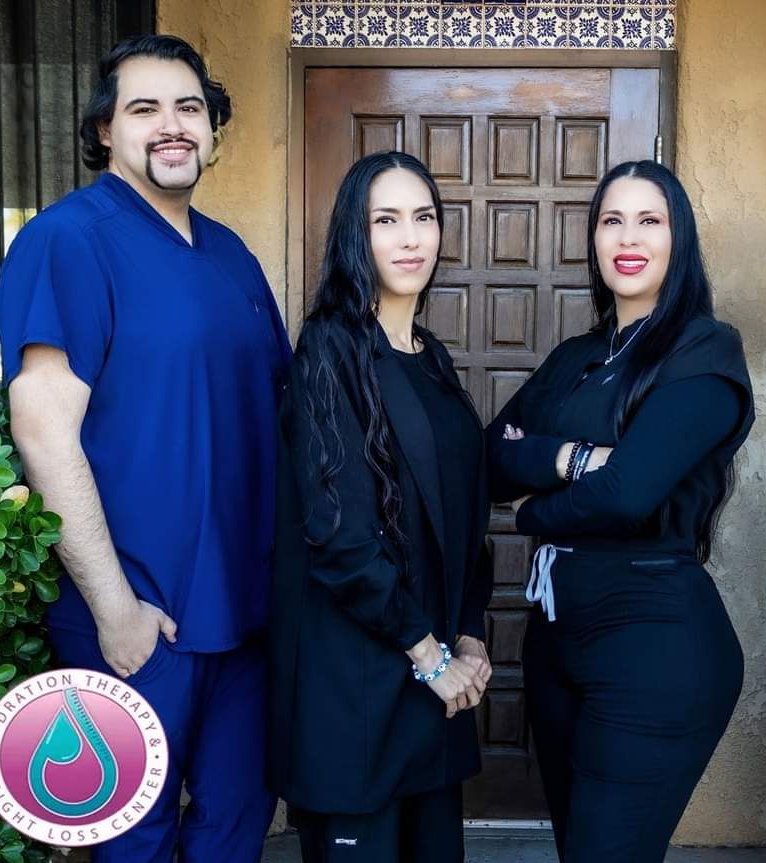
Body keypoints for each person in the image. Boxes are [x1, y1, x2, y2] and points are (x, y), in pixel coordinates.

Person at [0, 34, 289, 862]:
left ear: (213, 129)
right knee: (132, 838)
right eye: (144, 108)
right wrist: (114, 605)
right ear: (103, 131)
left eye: (189, 108)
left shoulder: (230, 256)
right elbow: (43, 426)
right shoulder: (72, 239)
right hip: (136, 621)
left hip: (242, 617)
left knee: (236, 827)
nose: (172, 126)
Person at [486, 160, 755, 862]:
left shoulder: (703, 350)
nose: (628, 237)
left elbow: (631, 493)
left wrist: (535, 508)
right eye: (612, 219)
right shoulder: (574, 357)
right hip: (555, 642)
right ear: (594, 238)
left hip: (653, 642)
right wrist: (579, 460)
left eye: (650, 219)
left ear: (679, 238)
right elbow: (488, 461)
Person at [267, 151, 494, 863]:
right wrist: (430, 655)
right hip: (357, 689)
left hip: (432, 693)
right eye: (385, 220)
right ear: (354, 237)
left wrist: (470, 634)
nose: (410, 238)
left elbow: (461, 520)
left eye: (423, 218)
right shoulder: (330, 349)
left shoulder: (429, 354)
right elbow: (338, 533)